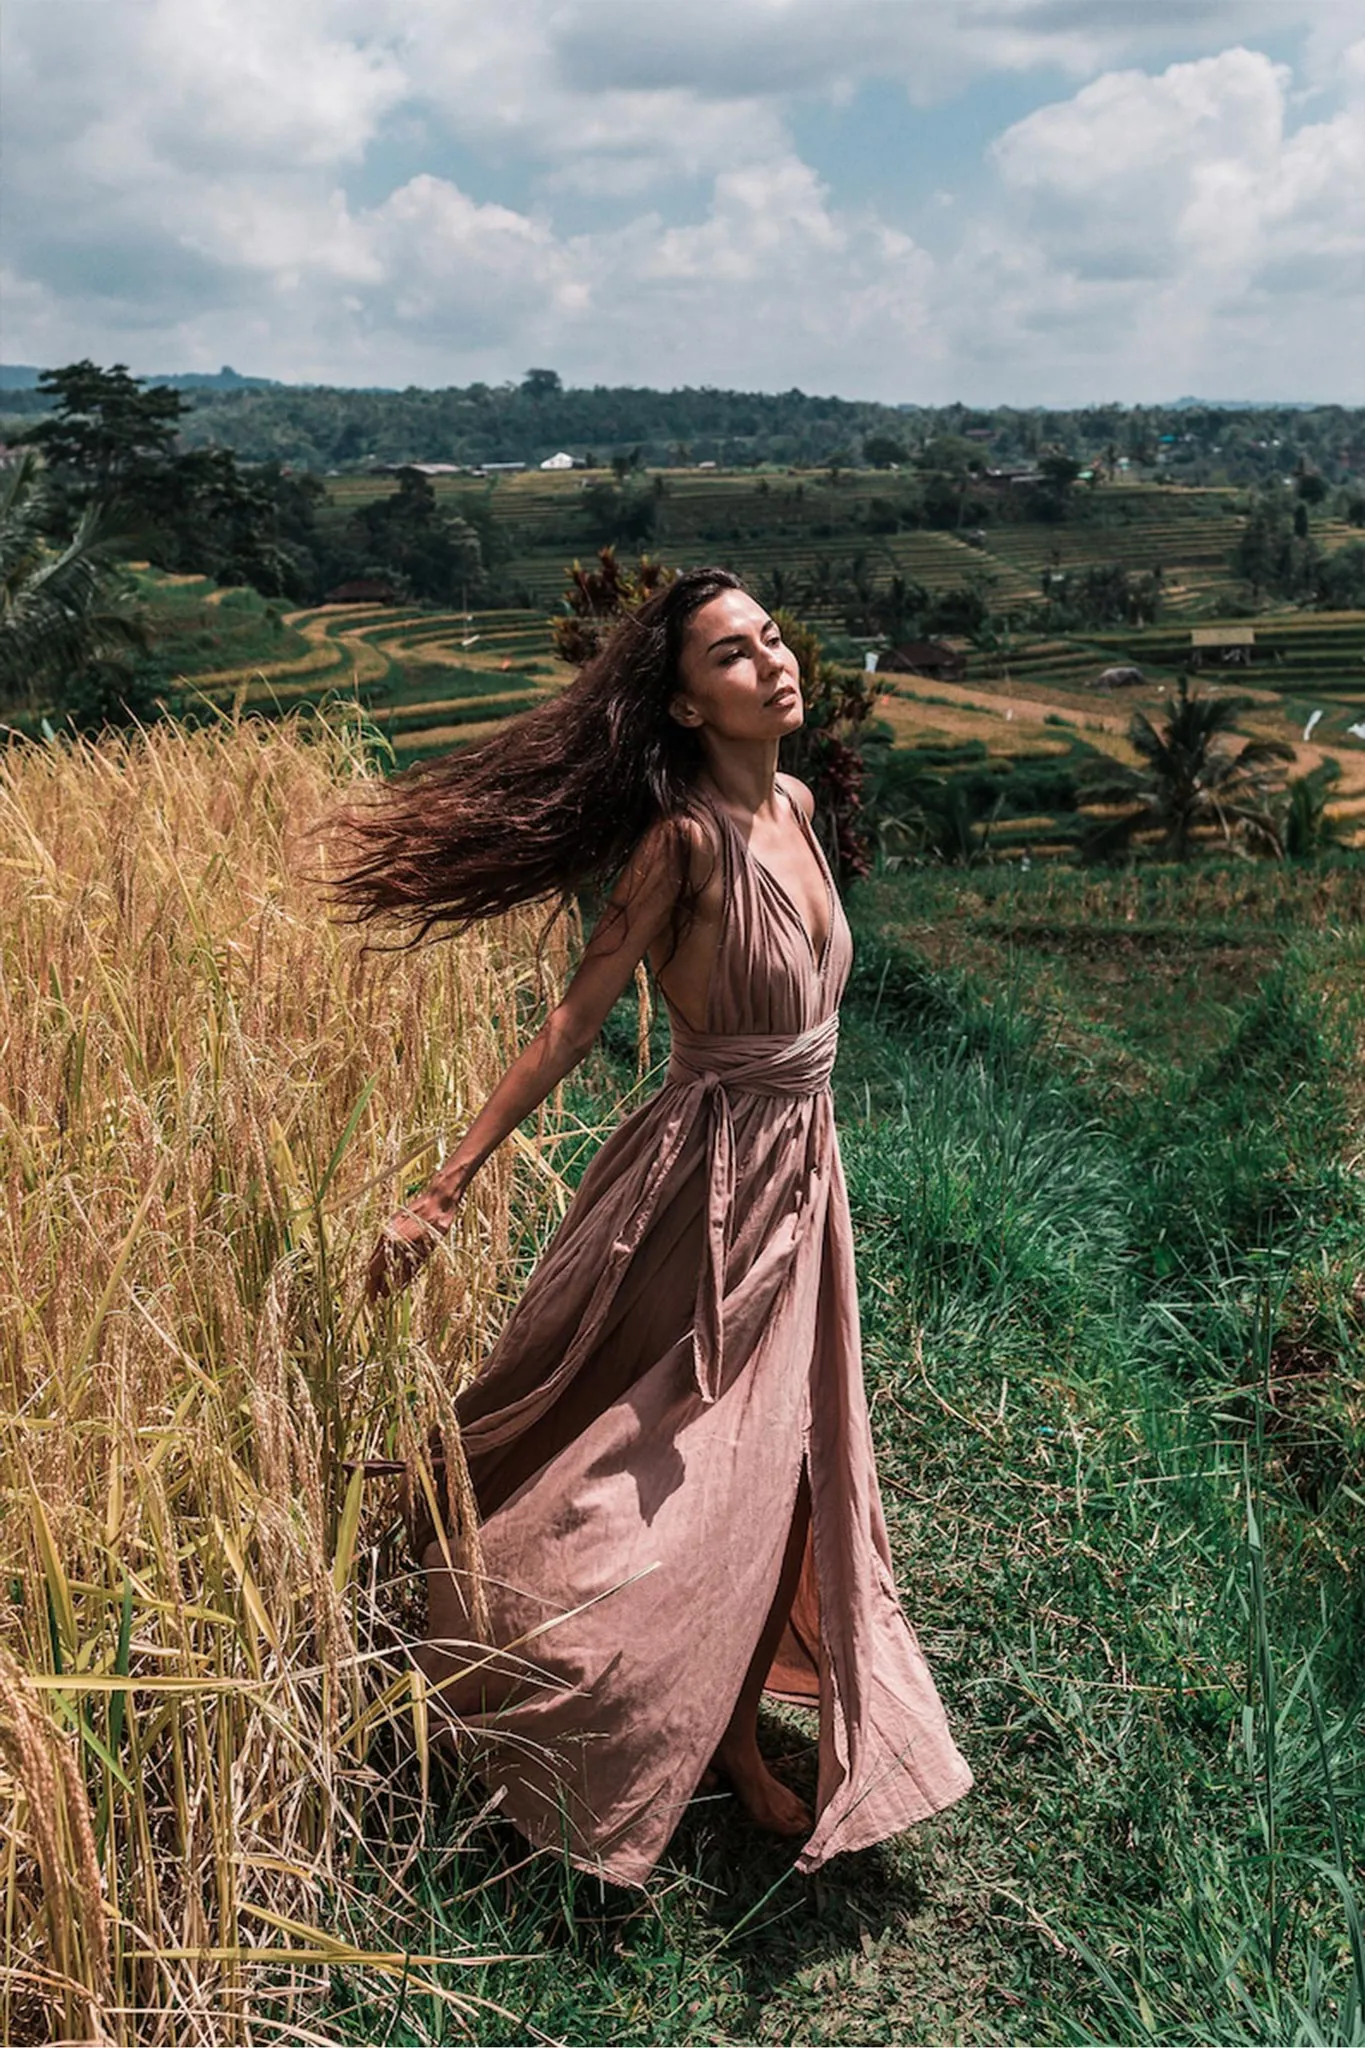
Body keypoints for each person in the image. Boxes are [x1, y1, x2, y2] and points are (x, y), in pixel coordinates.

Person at [326, 568, 972, 1886]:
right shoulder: (681, 842)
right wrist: (446, 1186)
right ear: (685, 703)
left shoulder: (797, 805)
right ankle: (523, 1648)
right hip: (709, 1183)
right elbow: (575, 1018)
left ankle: (728, 1735)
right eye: (735, 655)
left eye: (774, 637)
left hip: (806, 1168)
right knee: (678, 1452)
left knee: (786, 1454)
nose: (774, 663)